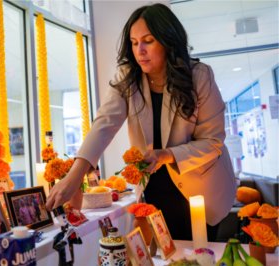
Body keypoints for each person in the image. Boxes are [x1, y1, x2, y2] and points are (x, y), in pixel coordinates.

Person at [46, 3, 236, 241]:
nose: (140, 50)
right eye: (134, 43)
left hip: (201, 191)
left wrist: (166, 154)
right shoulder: (128, 77)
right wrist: (75, 175)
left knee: (198, 255)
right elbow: (104, 123)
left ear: (168, 41)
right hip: (154, 189)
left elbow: (213, 142)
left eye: (148, 40)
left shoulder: (199, 76)